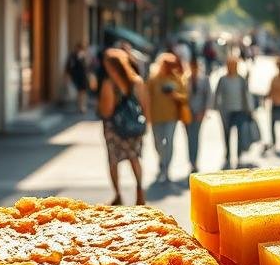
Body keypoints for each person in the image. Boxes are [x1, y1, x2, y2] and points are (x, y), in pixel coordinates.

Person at [97, 48, 150, 205]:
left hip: (114, 129)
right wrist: (145, 125)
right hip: (135, 128)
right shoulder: (137, 82)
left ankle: (118, 195)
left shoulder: (109, 84)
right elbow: (146, 106)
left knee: (113, 162)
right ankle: (140, 194)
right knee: (135, 159)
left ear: (111, 66)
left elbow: (106, 111)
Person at [146, 53, 188, 184]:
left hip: (171, 116)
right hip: (156, 116)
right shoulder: (153, 80)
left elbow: (185, 97)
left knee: (169, 142)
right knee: (158, 143)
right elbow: (146, 97)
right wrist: (146, 115)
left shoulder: (177, 79)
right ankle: (161, 162)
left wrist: (175, 95)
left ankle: (166, 167)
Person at [214, 57, 252, 168]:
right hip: (226, 111)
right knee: (226, 134)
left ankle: (238, 155)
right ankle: (228, 156)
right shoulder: (223, 79)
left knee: (240, 134)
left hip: (239, 110)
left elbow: (246, 94)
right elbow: (217, 94)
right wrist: (217, 107)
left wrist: (249, 109)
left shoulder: (241, 79)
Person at [186, 58, 210, 172]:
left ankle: (194, 161)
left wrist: (204, 112)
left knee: (195, 137)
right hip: (188, 113)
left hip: (199, 113)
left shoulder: (204, 80)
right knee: (189, 138)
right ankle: (191, 160)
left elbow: (208, 97)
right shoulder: (185, 79)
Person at [64, 42, 91, 113]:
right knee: (79, 92)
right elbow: (68, 67)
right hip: (76, 77)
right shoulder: (72, 56)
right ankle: (80, 106)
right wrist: (68, 76)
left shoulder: (84, 56)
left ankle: (82, 106)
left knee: (83, 92)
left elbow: (87, 66)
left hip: (83, 76)